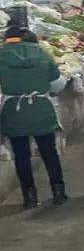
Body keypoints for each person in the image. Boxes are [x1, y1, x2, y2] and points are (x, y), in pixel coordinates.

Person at [0, 12, 66, 208]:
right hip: (40, 108)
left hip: (13, 111)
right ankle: (58, 191)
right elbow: (58, 85)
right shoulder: (41, 53)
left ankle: (29, 196)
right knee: (49, 152)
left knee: (21, 155)